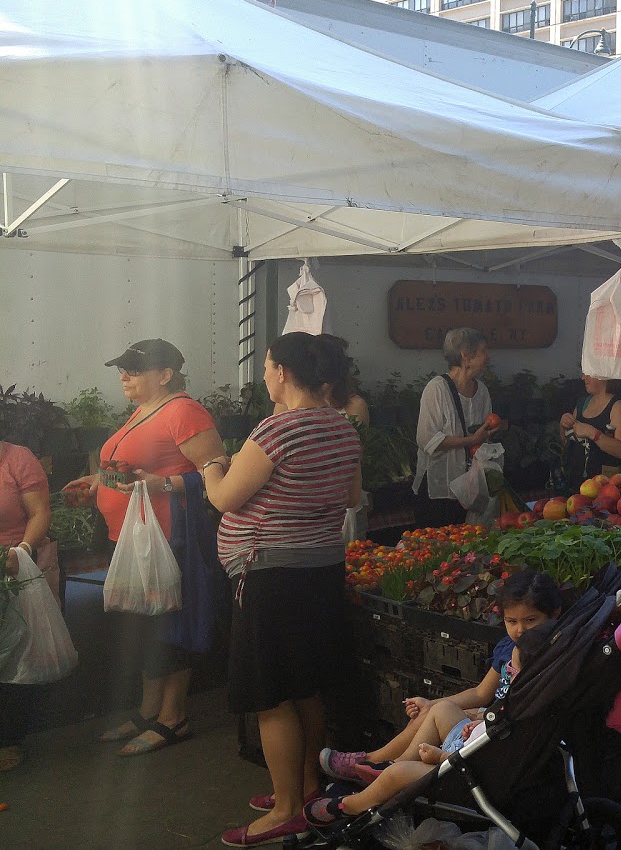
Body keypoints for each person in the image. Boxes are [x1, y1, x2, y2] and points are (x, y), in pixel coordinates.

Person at [206, 332, 364, 845]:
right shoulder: (343, 427)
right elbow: (352, 495)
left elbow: (227, 498)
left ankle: (288, 809)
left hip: (271, 575)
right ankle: (308, 787)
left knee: (272, 694)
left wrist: (211, 465)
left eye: (268, 365)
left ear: (284, 373)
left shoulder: (276, 430)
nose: (265, 375)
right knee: (307, 684)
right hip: (319, 569)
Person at [59, 339, 225, 757]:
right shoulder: (143, 411)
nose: (124, 377)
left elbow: (217, 474)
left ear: (166, 374)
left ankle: (174, 717)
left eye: (134, 370)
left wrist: (162, 484)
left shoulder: (184, 411)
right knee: (147, 628)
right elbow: (128, 469)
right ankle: (150, 710)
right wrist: (95, 483)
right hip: (134, 540)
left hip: (169, 541)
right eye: (122, 370)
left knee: (169, 627)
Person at [305, 572, 562, 825]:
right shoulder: (511, 647)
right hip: (480, 735)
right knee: (439, 710)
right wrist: (435, 704)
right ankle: (379, 762)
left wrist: (476, 721)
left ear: (554, 615)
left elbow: (516, 712)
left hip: (485, 759)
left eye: (530, 620)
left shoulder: (544, 664)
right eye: (511, 621)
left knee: (398, 774)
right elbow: (482, 693)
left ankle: (351, 805)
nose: (520, 630)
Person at [413, 328, 498, 529]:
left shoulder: (482, 391)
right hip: (439, 486)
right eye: (484, 351)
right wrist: (472, 440)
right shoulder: (436, 389)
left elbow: (483, 434)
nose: (488, 356)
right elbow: (427, 440)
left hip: (470, 486)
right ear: (465, 356)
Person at [0, 439, 51, 772]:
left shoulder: (16, 458)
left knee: (11, 657)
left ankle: (7, 739)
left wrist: (23, 549)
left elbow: (40, 512)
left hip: (8, 571)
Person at [561, 375, 621, 485]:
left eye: (588, 374)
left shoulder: (618, 405)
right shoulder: (582, 403)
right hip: (576, 483)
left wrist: (592, 433)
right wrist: (563, 425)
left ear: (603, 376)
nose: (583, 378)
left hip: (606, 486)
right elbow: (566, 443)